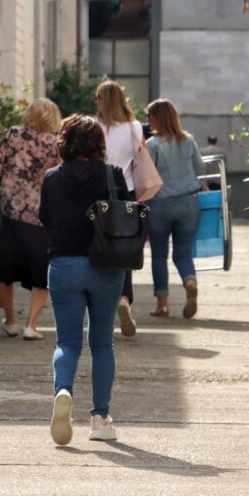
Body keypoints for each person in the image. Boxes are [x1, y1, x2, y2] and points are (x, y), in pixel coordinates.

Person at [40, 114, 131, 444]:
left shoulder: (52, 178)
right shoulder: (112, 175)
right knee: (102, 341)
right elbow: (126, 218)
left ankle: (63, 391)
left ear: (65, 142)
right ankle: (99, 419)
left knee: (66, 342)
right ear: (98, 144)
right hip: (105, 266)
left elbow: (45, 219)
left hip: (63, 264)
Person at [0, 98, 62, 340]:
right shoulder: (55, 143)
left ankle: (11, 321)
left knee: (3, 267)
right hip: (40, 216)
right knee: (42, 271)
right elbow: (60, 177)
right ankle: (31, 325)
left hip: (8, 212)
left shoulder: (13, 134)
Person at [145, 99, 204, 319]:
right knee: (183, 253)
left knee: (159, 255)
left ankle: (163, 305)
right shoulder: (189, 141)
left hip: (160, 204)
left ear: (157, 118)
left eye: (150, 116)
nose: (148, 120)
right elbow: (200, 168)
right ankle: (189, 282)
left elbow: (148, 176)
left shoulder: (152, 145)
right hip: (188, 203)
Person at [94, 80, 142, 337]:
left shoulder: (93, 126)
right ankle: (124, 298)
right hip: (127, 193)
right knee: (125, 248)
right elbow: (139, 158)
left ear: (100, 100)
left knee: (98, 246)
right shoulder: (135, 127)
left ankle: (101, 304)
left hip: (98, 192)